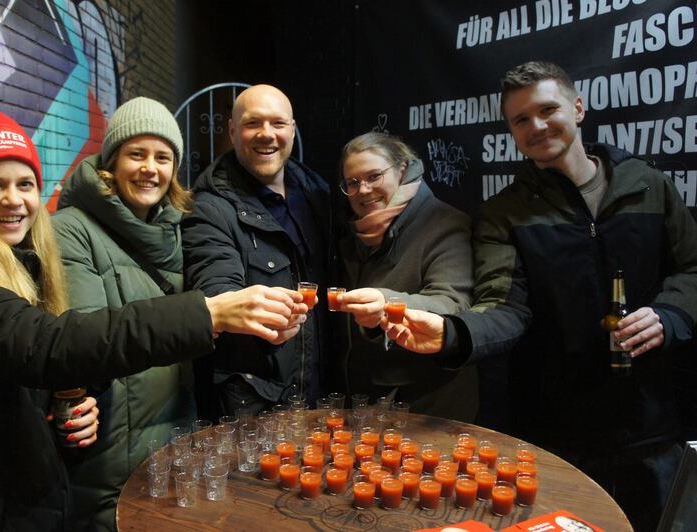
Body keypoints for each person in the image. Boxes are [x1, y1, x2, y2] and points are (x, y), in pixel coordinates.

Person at [0, 107, 305, 530]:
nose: (14, 200)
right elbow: (52, 344)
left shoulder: (15, 257)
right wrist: (208, 312)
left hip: (27, 486)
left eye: (26, 184)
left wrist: (58, 407)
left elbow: (16, 368)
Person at [382, 61, 697, 532]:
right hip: (557, 434)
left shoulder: (648, 185)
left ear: (578, 107)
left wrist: (669, 315)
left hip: (651, 426)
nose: (537, 126)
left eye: (547, 110)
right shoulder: (503, 212)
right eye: (520, 120)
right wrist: (452, 333)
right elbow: (506, 308)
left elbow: (692, 268)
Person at [51, 97, 198, 530]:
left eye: (163, 157)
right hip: (110, 458)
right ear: (111, 161)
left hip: (174, 440)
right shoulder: (72, 229)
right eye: (136, 154)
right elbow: (85, 341)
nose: (150, 168)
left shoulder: (176, 231)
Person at [182, 84, 331, 417]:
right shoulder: (208, 208)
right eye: (253, 123)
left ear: (292, 130)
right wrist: (263, 319)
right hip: (255, 412)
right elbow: (217, 294)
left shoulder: (318, 196)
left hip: (323, 402)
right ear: (233, 131)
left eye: (278, 123)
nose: (267, 134)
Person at [333, 132, 475, 418]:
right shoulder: (352, 234)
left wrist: (385, 302)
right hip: (369, 403)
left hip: (429, 403)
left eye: (374, 176)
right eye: (353, 182)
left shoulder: (445, 223)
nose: (363, 190)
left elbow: (453, 303)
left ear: (402, 170)